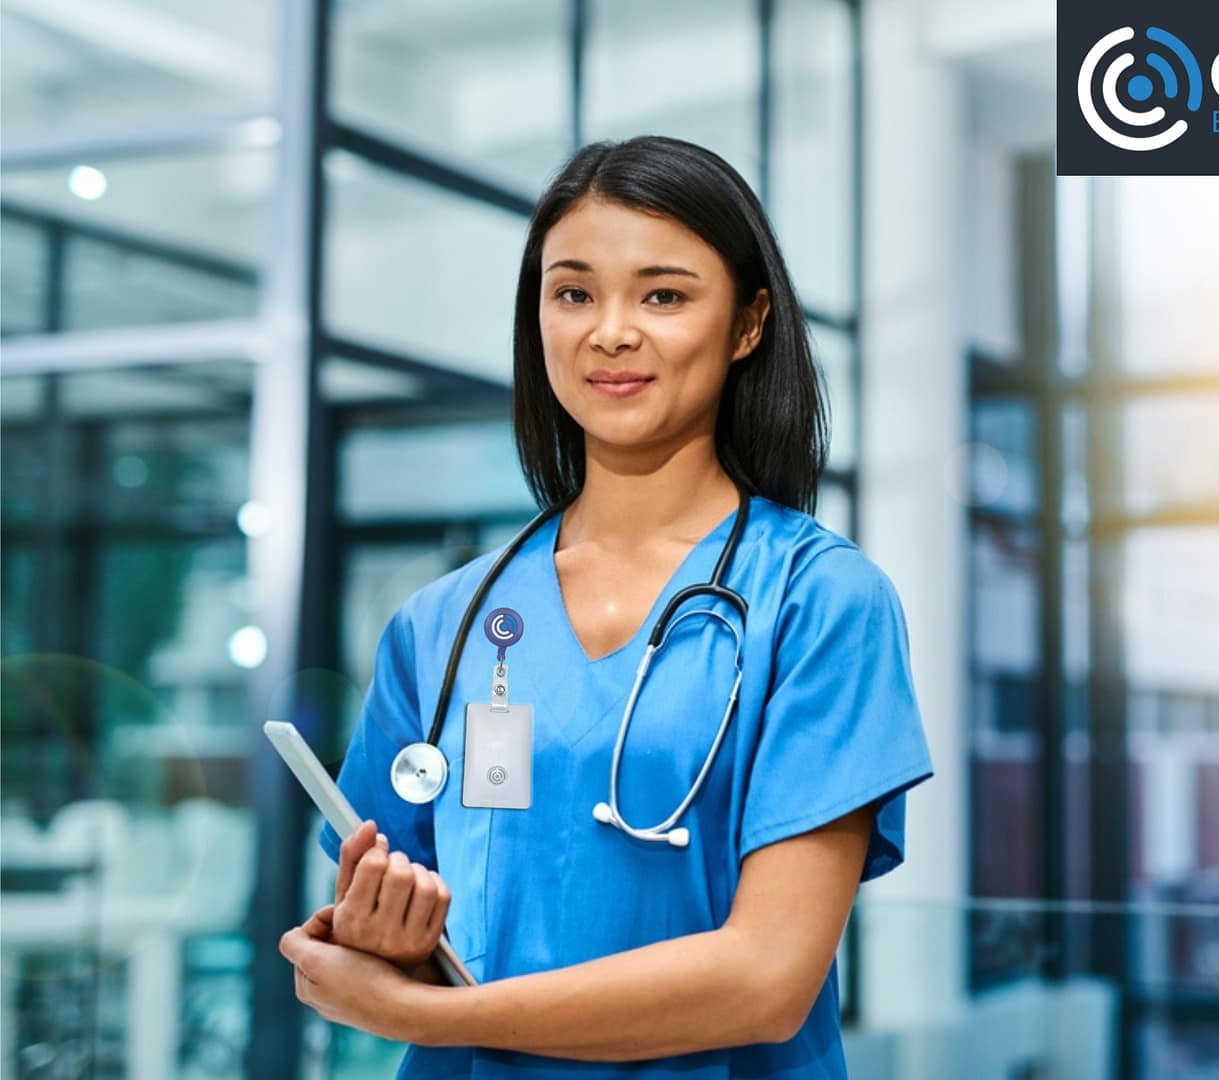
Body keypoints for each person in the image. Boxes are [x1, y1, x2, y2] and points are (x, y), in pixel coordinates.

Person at [278, 134, 934, 1078]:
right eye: (573, 292)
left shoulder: (820, 602)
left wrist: (429, 1018)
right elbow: (410, 930)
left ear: (749, 323)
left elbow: (768, 978)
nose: (610, 331)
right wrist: (378, 941)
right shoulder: (441, 624)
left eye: (663, 295)